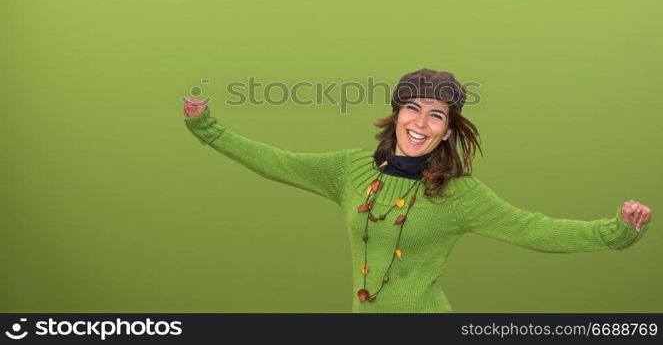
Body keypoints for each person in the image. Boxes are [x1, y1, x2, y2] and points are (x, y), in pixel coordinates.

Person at [183, 68, 652, 313]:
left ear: (448, 131)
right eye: (412, 108)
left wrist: (617, 231)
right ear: (397, 113)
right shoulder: (350, 170)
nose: (420, 122)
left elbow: (534, 229)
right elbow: (278, 162)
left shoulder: (458, 195)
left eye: (436, 115)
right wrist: (207, 127)